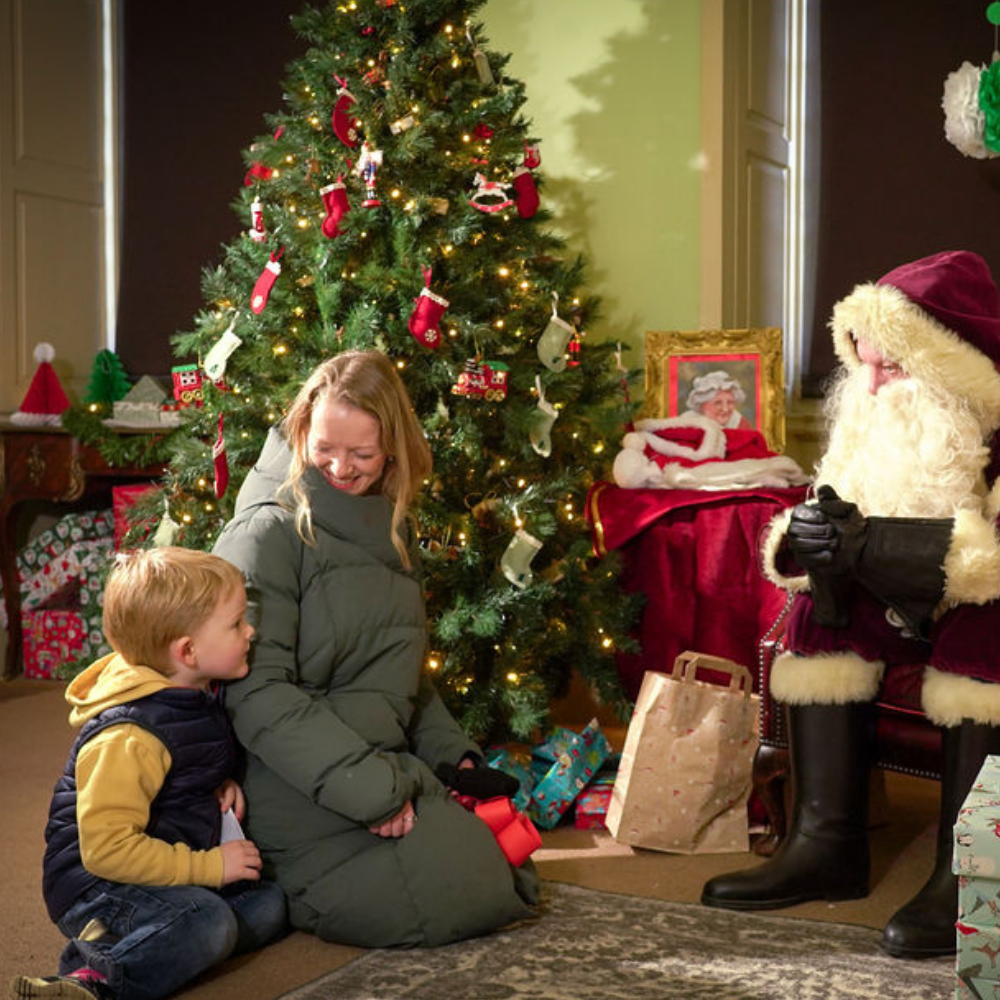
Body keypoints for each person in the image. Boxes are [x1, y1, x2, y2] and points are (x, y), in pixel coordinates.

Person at [701, 249, 1000, 959]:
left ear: (947, 366)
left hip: (976, 613)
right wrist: (809, 546)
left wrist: (867, 546)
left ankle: (975, 876)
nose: (869, 386)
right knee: (819, 619)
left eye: (888, 368)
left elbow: (989, 565)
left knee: (989, 639)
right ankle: (826, 844)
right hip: (908, 610)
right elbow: (833, 522)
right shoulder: (876, 426)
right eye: (859, 363)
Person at [211, 349, 538, 948]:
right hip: (293, 780)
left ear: (393, 448)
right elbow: (255, 692)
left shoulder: (390, 522)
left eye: (361, 454)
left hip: (377, 766)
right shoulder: (266, 532)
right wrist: (369, 792)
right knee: (450, 898)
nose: (341, 467)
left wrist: (454, 758)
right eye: (324, 448)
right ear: (301, 430)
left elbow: (402, 670)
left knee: (495, 868)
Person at [11, 547, 287, 1000]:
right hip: (100, 886)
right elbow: (107, 850)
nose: (250, 631)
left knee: (267, 906)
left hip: (162, 866)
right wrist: (210, 867)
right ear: (188, 651)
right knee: (210, 922)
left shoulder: (191, 687)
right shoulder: (129, 736)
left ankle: (142, 944)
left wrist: (217, 782)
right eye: (236, 624)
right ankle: (92, 978)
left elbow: (180, 767)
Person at [684, 370, 751, 428]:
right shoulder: (686, 424)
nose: (725, 409)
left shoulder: (739, 423)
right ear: (701, 406)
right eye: (718, 403)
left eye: (730, 402)